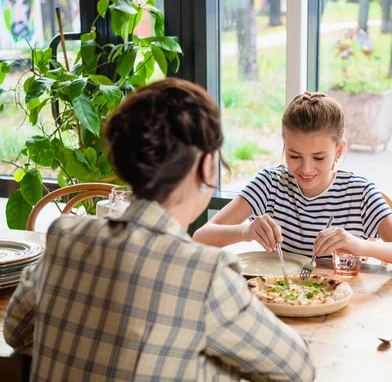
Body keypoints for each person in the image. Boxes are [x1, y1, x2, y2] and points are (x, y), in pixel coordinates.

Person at [3, 79, 315, 381]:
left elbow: (15, 332)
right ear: (207, 165)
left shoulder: (65, 236)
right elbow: (297, 370)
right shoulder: (204, 274)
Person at [193, 92, 392, 271]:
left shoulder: (359, 194)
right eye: (294, 156)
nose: (305, 169)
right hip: (281, 299)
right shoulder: (269, 184)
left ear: (339, 151)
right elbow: (201, 238)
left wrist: (362, 246)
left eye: (318, 157)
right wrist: (245, 231)